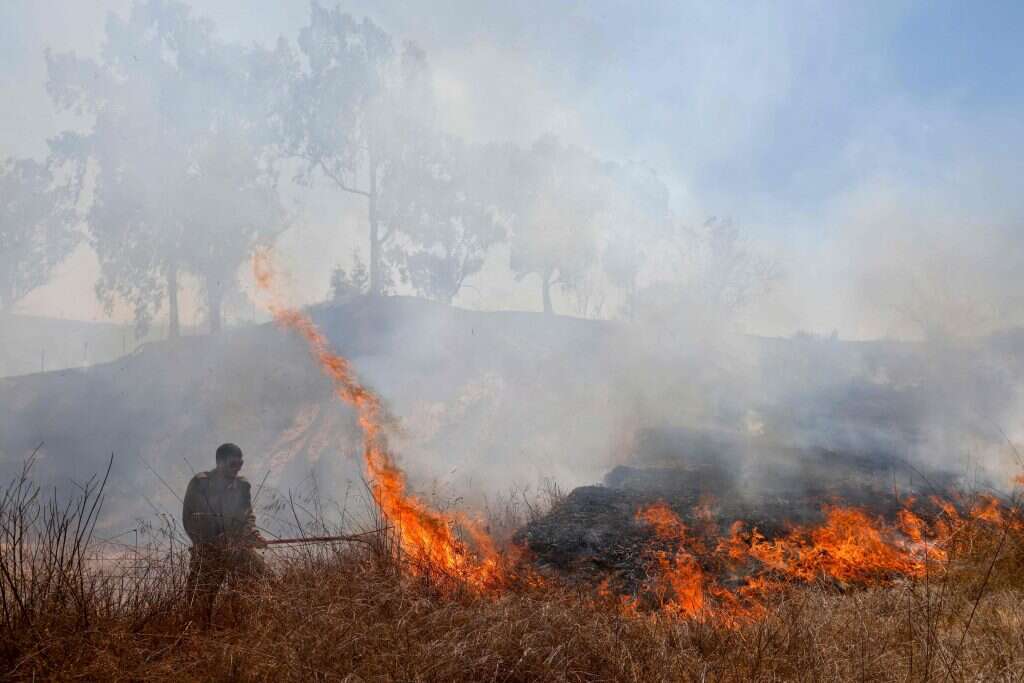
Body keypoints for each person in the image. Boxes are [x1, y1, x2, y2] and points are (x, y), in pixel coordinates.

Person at [182, 442, 268, 624]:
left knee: (265, 582)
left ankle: (245, 628)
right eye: (233, 464)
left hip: (237, 548)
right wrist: (212, 541)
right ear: (219, 463)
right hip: (208, 551)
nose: (237, 469)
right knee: (199, 602)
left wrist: (253, 535)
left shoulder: (243, 486)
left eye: (240, 464)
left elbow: (246, 517)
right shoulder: (200, 483)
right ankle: (198, 638)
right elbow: (190, 520)